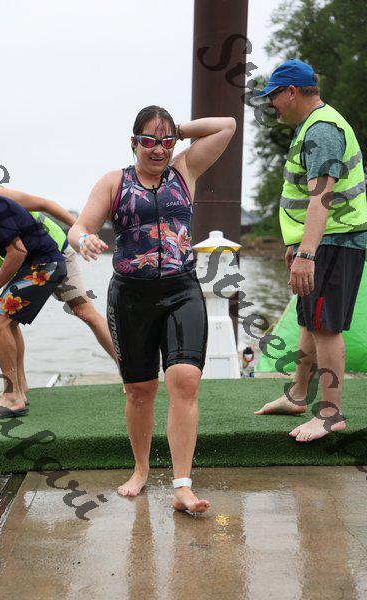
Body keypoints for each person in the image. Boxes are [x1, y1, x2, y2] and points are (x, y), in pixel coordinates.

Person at [69, 105, 236, 513]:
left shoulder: (185, 170)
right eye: (149, 141)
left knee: (185, 380)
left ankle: (182, 485)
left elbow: (226, 125)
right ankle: (141, 469)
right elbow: (78, 227)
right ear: (133, 143)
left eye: (166, 142)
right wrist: (83, 240)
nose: (158, 149)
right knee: (140, 390)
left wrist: (176, 130)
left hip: (182, 290)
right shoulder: (115, 182)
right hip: (131, 297)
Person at [253, 59, 367, 441]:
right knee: (309, 320)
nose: (271, 105)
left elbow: (322, 197)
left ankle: (331, 414)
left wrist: (307, 253)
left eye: (273, 97)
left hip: (334, 241)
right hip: (324, 241)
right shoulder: (312, 127)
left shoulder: (322, 130)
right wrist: (297, 243)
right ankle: (298, 395)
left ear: (291, 92)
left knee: (325, 327)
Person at [0, 186, 120, 400]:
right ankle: (18, 388)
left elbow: (45, 205)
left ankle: (127, 372)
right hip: (22, 266)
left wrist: (81, 233)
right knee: (6, 321)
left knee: (85, 313)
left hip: (53, 254)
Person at [0, 189, 67, 420]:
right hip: (33, 267)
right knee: (7, 323)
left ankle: (12, 397)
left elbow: (18, 251)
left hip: (46, 265)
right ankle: (18, 390)